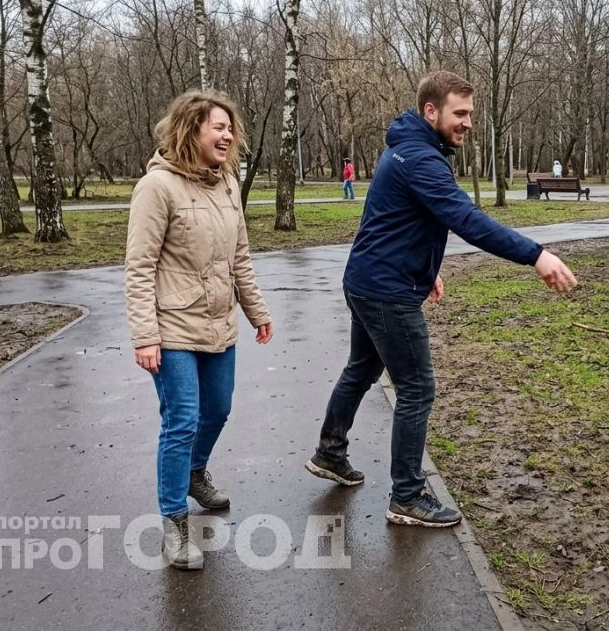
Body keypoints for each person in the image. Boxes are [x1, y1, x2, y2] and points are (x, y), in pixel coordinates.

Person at [306, 71, 577, 528]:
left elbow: (393, 220)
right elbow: (466, 220)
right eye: (460, 113)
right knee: (416, 388)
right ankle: (407, 496)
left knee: (362, 369)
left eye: (470, 113)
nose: (468, 122)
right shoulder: (420, 159)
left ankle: (330, 453)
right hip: (387, 291)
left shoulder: (407, 148)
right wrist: (536, 255)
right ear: (431, 111)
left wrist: (426, 270)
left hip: (369, 280)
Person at [125, 90, 274, 570]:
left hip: (219, 323)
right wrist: (145, 335)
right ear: (191, 130)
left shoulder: (227, 183)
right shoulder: (157, 187)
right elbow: (139, 267)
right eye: (218, 127)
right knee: (182, 420)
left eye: (231, 128)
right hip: (171, 328)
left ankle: (194, 472)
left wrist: (257, 311)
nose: (228, 136)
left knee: (219, 410)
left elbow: (240, 257)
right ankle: (174, 522)